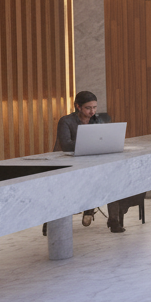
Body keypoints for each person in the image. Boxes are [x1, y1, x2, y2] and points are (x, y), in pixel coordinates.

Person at [55, 91, 103, 229]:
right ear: (78, 106)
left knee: (101, 177)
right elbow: (66, 145)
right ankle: (54, 223)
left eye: (94, 107)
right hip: (66, 162)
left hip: (86, 160)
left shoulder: (97, 120)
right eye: (88, 108)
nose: (92, 111)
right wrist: (89, 141)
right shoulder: (66, 121)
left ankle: (90, 210)